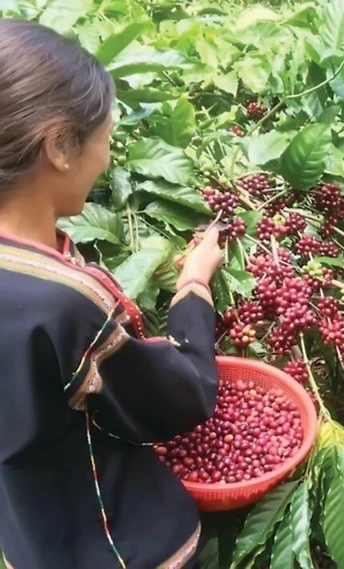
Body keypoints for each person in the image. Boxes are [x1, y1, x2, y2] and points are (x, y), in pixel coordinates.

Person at [0, 20, 222, 568]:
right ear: (59, 145)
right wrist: (194, 286)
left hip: (33, 537)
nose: (107, 157)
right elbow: (178, 399)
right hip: (123, 549)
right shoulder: (67, 302)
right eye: (104, 138)